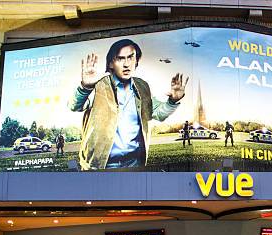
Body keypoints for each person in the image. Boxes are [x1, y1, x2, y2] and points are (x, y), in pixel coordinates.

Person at [69, 39, 188, 169]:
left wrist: (173, 101)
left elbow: (158, 114)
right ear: (111, 64)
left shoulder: (142, 86)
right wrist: (85, 87)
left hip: (134, 164)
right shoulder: (98, 84)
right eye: (120, 59)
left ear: (136, 60)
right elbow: (75, 106)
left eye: (131, 57)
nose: (127, 64)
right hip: (100, 167)